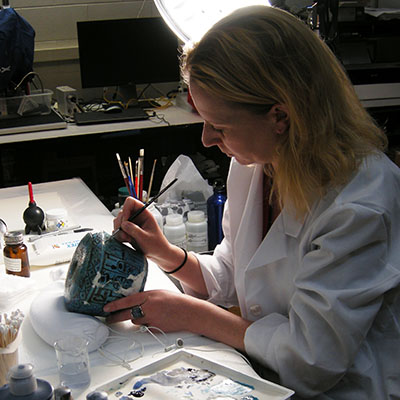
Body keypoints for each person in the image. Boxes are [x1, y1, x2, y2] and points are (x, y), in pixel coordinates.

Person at [103, 5, 400, 399]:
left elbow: (314, 361)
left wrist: (189, 313)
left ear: (280, 116)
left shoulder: (359, 202)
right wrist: (167, 254)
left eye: (220, 126)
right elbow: (236, 274)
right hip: (262, 370)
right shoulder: (255, 162)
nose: (207, 140)